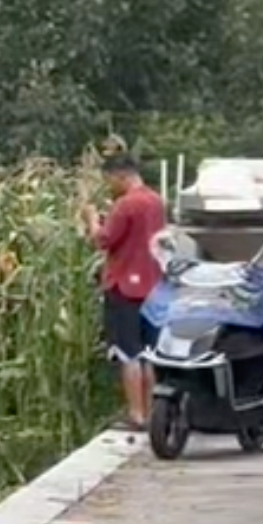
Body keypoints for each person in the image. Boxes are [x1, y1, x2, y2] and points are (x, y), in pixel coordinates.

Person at [91, 153, 168, 429]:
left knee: (128, 352)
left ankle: (136, 414)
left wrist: (91, 220)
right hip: (152, 284)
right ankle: (152, 413)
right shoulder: (157, 202)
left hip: (124, 286)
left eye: (110, 180)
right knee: (149, 352)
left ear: (121, 176)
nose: (109, 186)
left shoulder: (126, 205)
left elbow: (103, 239)